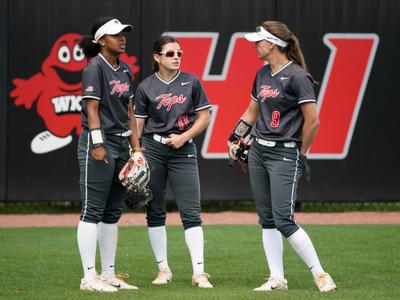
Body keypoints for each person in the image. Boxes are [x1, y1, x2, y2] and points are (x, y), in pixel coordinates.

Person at [227, 21, 337, 292]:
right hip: (259, 152)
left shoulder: (298, 76)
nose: (255, 45)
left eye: (258, 41)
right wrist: (233, 137)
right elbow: (252, 111)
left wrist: (302, 152)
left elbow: (313, 121)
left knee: (284, 219)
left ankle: (321, 275)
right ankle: (277, 278)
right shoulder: (263, 73)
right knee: (266, 218)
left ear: (273, 44)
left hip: (284, 154)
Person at [134, 35, 213, 288]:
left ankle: (199, 273)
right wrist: (137, 151)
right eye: (170, 53)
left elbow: (204, 117)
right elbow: (138, 124)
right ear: (157, 58)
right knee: (154, 211)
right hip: (154, 149)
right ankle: (163, 269)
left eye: (179, 53)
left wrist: (185, 137)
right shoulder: (146, 86)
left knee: (191, 213)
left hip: (183, 149)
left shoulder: (191, 82)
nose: (176, 57)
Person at [77, 17, 144, 292]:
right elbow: (92, 110)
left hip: (121, 145)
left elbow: (129, 114)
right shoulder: (94, 69)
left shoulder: (126, 69)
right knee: (92, 210)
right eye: (116, 34)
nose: (123, 38)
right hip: (100, 144)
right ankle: (88, 277)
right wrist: (97, 144)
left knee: (112, 212)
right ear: (102, 40)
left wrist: (137, 149)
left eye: (124, 33)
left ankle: (108, 275)